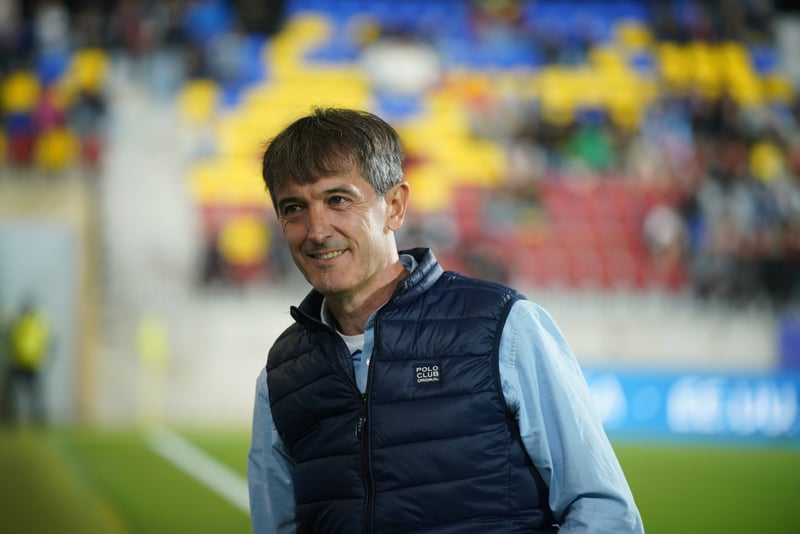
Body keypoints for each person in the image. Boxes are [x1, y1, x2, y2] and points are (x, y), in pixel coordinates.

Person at [247, 107, 644, 533]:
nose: (316, 230)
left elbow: (604, 511)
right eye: (294, 208)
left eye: (338, 200)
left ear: (395, 206)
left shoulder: (503, 328)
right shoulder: (280, 376)